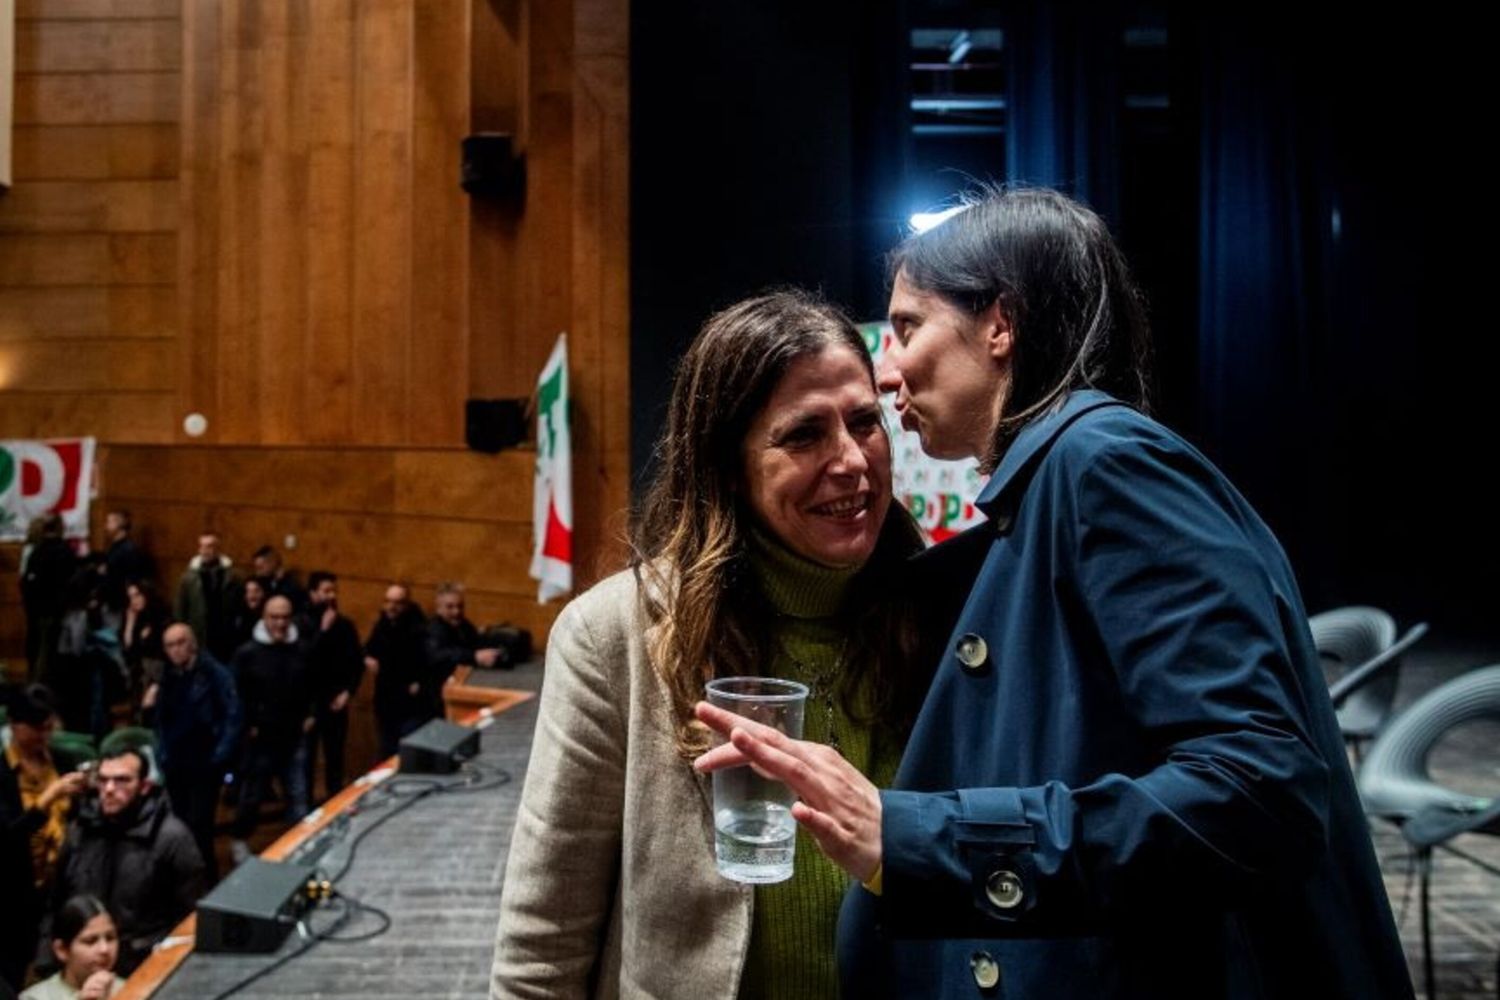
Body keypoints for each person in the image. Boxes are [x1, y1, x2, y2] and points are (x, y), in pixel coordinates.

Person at [694, 187, 1412, 999]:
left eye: (906, 328)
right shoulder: (1056, 482)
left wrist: (914, 838)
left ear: (1000, 324)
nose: (888, 370)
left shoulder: (1105, 462)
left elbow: (1257, 788)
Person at [491, 290, 935, 998]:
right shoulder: (616, 636)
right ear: (728, 463)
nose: (851, 460)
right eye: (804, 435)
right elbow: (544, 939)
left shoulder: (942, 618)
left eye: (864, 423)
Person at [47, 749, 205, 976]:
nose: (109, 789)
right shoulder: (79, 831)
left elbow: (191, 921)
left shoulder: (172, 838)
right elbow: (55, 904)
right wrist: (47, 963)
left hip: (143, 966)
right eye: (103, 780)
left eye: (122, 780)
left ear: (144, 786)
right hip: (81, 966)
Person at [2, 687, 86, 992]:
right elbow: (7, 837)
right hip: (12, 892)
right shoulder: (3, 771)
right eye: (37, 728)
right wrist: (48, 798)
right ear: (14, 725)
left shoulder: (61, 759)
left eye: (49, 727)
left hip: (57, 887)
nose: (45, 735)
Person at [228, 596, 313, 864]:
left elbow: (313, 684)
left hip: (294, 735)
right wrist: (248, 725)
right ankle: (239, 840)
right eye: (274, 617)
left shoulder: (302, 649)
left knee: (299, 794)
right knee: (252, 795)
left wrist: (311, 714)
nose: (280, 623)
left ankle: (301, 846)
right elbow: (236, 695)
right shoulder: (247, 653)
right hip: (261, 738)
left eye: (285, 617)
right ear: (264, 617)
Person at [153, 623, 241, 879]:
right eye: (170, 645)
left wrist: (219, 756)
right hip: (176, 762)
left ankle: (207, 879)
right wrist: (162, 755)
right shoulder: (167, 676)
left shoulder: (215, 673)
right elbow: (160, 720)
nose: (176, 650)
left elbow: (233, 716)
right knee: (179, 824)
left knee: (201, 826)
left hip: (204, 762)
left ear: (192, 643)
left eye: (180, 643)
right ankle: (186, 880)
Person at [300, 572, 363, 800]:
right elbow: (306, 660)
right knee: (306, 760)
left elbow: (356, 662)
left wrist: (348, 691)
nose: (331, 596)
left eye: (334, 591)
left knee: (335, 758)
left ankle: (334, 803)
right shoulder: (302, 623)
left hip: (336, 701)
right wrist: (323, 632)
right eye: (326, 591)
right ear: (313, 593)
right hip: (310, 703)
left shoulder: (345, 625)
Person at [363, 583, 431, 758]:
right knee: (386, 753)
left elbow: (429, 662)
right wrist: (368, 658)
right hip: (386, 702)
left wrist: (419, 683)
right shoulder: (383, 624)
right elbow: (368, 649)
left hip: (409, 705)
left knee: (406, 756)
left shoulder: (419, 629)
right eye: (388, 601)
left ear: (406, 604)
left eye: (397, 602)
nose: (391, 607)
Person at [21, 896, 125, 1000]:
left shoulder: (132, 989)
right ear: (62, 950)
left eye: (110, 938)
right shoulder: (34, 997)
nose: (104, 949)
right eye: (90, 941)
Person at [173, 533, 242, 663]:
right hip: (199, 634)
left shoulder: (233, 577)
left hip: (224, 635)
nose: (206, 551)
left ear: (217, 549)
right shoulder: (188, 578)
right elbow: (180, 609)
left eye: (210, 546)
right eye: (202, 547)